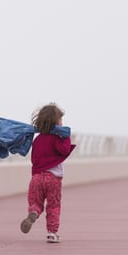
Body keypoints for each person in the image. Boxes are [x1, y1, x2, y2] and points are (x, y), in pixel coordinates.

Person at [20, 103, 76, 243]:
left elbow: (34, 159)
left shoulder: (38, 139)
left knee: (35, 203)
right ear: (57, 122)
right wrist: (66, 137)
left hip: (37, 177)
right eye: (61, 120)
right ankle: (52, 232)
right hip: (53, 179)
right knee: (53, 205)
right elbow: (64, 150)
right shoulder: (59, 138)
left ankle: (33, 213)